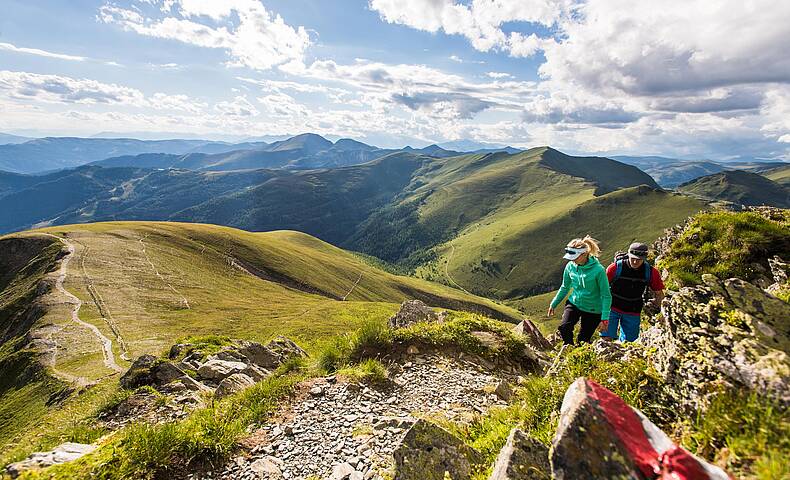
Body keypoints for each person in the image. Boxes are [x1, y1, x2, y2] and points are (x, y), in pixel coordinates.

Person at [547, 236, 612, 345]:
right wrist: (554, 303)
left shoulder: (598, 270)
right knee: (564, 328)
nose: (572, 260)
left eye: (575, 257)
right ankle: (569, 349)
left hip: (593, 309)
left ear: (584, 254)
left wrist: (604, 318)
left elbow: (606, 295)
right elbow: (565, 287)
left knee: (583, 340)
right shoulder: (570, 266)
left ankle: (579, 357)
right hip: (574, 303)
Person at [601, 242, 665, 342]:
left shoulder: (651, 272)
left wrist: (662, 312)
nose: (635, 262)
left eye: (639, 260)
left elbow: (659, 293)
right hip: (611, 309)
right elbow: (602, 289)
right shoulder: (614, 268)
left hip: (633, 311)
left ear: (645, 258)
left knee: (630, 343)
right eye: (633, 258)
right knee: (606, 338)